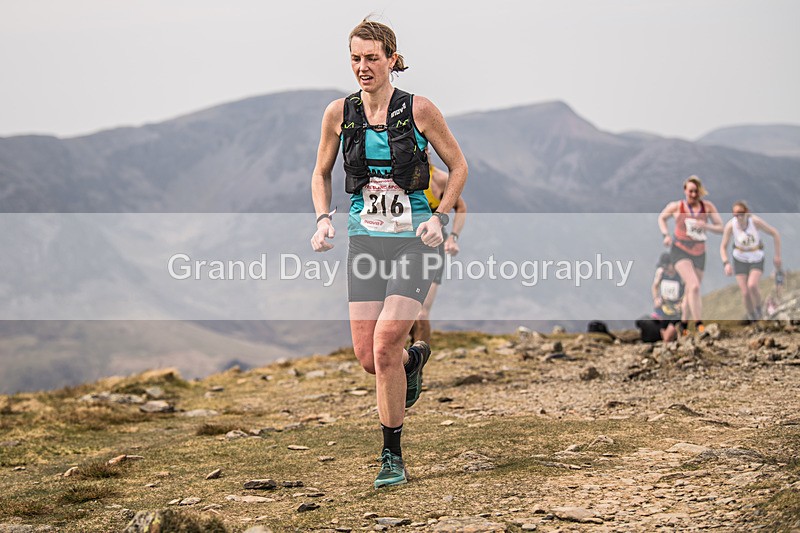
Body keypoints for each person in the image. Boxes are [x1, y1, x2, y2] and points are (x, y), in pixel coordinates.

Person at [310, 19, 468, 489]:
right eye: (355, 59)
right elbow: (320, 173)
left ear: (393, 59)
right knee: (368, 356)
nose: (363, 67)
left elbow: (458, 167)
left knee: (384, 346)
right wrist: (323, 218)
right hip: (365, 241)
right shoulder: (339, 113)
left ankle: (391, 455)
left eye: (372, 58)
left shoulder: (419, 110)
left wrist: (439, 220)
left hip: (414, 241)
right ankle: (413, 361)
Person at [409, 152, 468, 345]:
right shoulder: (402, 179)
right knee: (400, 313)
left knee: (422, 312)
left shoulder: (441, 179)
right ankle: (401, 360)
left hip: (433, 250)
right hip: (405, 249)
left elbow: (461, 207)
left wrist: (453, 237)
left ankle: (418, 367)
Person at [657, 175, 723, 333]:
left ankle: (684, 325)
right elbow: (662, 218)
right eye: (691, 191)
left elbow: (721, 227)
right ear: (685, 191)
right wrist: (665, 235)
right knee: (693, 286)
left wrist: (705, 226)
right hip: (680, 249)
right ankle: (699, 324)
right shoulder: (676, 207)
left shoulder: (707, 207)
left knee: (690, 290)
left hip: (699, 252)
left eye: (696, 192)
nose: (693, 195)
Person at [719, 200, 782, 321]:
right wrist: (726, 263)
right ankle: (751, 316)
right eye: (735, 214)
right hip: (740, 259)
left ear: (746, 212)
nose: (738, 217)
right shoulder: (730, 226)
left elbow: (775, 233)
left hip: (756, 257)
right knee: (745, 292)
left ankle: (759, 309)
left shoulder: (755, 222)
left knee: (752, 285)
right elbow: (723, 246)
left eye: (741, 213)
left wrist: (777, 255)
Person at [651, 252, 685, 342]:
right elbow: (655, 286)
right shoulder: (660, 273)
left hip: (677, 312)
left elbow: (689, 291)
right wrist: (656, 299)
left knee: (667, 337)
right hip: (664, 310)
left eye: (666, 267)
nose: (665, 269)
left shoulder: (681, 275)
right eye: (663, 267)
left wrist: (683, 303)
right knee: (663, 334)